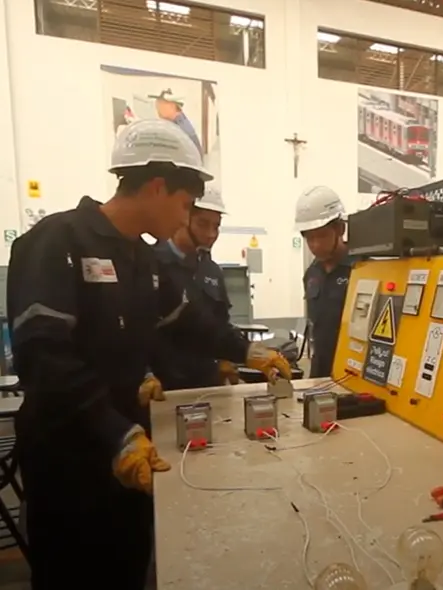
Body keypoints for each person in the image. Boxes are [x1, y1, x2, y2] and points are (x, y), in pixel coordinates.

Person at [5, 118, 291, 589]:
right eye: (185, 205)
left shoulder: (140, 258)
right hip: (70, 462)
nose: (184, 219)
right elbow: (44, 357)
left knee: (129, 568)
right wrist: (115, 431)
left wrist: (248, 350)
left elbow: (187, 320)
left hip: (134, 453)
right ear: (157, 187)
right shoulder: (57, 241)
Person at [148, 185, 241, 391]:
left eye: (216, 226)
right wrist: (145, 374)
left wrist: (226, 359)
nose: (211, 234)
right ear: (184, 217)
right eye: (202, 224)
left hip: (208, 384)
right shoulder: (151, 262)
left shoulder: (212, 271)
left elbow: (221, 324)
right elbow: (137, 331)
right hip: (164, 387)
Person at [297, 185, 352, 379]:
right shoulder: (312, 274)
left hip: (351, 370)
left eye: (321, 236)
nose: (315, 245)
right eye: (309, 238)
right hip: (320, 370)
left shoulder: (362, 269)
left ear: (340, 229)